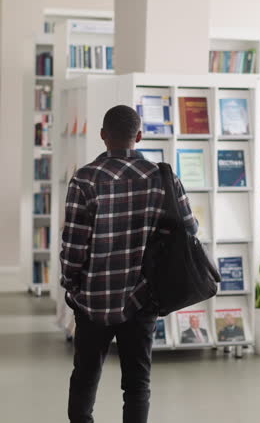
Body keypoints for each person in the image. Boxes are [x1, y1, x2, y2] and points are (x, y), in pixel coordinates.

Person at [60, 105, 198, 423]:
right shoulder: (162, 177)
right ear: (139, 136)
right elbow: (190, 230)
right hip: (142, 298)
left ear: (103, 136)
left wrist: (72, 285)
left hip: (93, 300)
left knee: (84, 379)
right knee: (137, 386)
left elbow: (73, 246)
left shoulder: (84, 179)